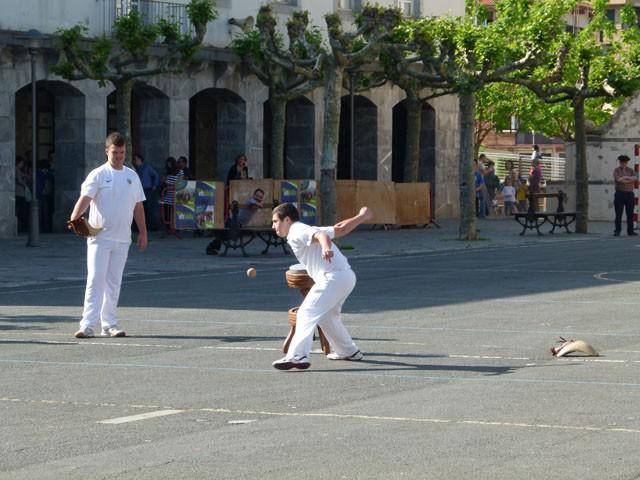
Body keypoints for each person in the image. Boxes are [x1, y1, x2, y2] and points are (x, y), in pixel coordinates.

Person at [271, 203, 373, 370]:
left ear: (287, 220)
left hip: (333, 277)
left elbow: (321, 236)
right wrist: (361, 217)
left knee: (306, 312)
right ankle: (348, 351)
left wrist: (326, 248)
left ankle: (298, 356)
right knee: (327, 317)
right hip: (346, 276)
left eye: (275, 221)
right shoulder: (304, 229)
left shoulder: (296, 230)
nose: (273, 226)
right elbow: (339, 229)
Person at [69, 132, 147, 339]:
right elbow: (85, 199)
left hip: (123, 239)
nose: (119, 156)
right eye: (115, 152)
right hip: (99, 238)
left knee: (114, 282)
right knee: (95, 280)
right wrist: (74, 217)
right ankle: (86, 325)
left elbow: (138, 207)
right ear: (107, 151)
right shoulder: (98, 175)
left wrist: (143, 233)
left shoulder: (132, 175)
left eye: (122, 152)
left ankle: (109, 324)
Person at [133, 153, 161, 226]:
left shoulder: (147, 167)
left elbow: (156, 175)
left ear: (139, 159)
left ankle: (151, 225)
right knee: (141, 208)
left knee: (149, 208)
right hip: (139, 191)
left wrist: (155, 185)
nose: (134, 161)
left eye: (135, 159)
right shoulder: (136, 169)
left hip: (147, 190)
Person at [613, 154, 637, 237]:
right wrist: (628, 179)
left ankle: (630, 231)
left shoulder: (631, 170)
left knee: (630, 213)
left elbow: (635, 178)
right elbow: (618, 180)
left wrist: (625, 177)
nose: (624, 164)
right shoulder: (616, 170)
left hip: (629, 194)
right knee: (618, 213)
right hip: (620, 193)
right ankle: (617, 230)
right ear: (620, 162)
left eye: (625, 162)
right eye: (622, 162)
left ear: (627, 163)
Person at [15, 155, 30, 233]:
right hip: (19, 193)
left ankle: (19, 226)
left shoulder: (18, 170)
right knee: (19, 211)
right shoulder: (16, 170)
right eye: (21, 163)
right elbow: (19, 180)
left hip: (20, 193)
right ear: (19, 163)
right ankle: (19, 227)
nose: (22, 165)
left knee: (19, 211)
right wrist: (25, 185)